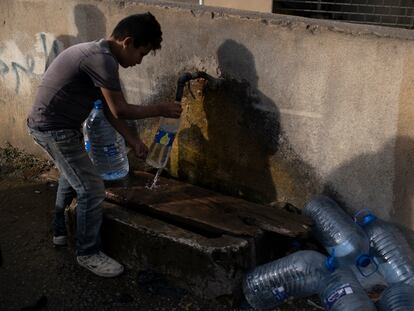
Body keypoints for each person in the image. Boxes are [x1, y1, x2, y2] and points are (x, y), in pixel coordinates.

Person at [26, 12, 182, 277]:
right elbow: (120, 110)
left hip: (58, 127)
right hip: (54, 130)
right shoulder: (102, 59)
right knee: (91, 188)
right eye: (141, 54)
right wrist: (161, 108)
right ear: (127, 42)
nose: (139, 62)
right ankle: (88, 253)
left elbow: (110, 110)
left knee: (71, 175)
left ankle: (60, 230)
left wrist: (133, 140)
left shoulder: (98, 54)